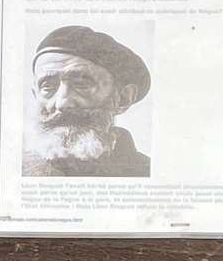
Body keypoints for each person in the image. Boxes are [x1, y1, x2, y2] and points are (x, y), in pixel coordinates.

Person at [23, 24, 150, 178]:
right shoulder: (16, 171)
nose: (62, 103)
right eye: (47, 87)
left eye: (81, 85)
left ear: (124, 99)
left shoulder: (146, 172)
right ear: (35, 95)